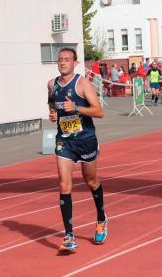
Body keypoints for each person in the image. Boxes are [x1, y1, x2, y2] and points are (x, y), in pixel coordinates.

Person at [48, 48, 107, 253]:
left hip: (85, 139)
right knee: (64, 185)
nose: (63, 62)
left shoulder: (82, 84)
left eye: (67, 59)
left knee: (90, 181)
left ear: (75, 63)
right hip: (64, 141)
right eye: (60, 59)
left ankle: (101, 218)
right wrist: (53, 113)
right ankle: (69, 236)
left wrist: (77, 109)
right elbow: (52, 103)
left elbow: (99, 112)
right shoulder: (52, 84)